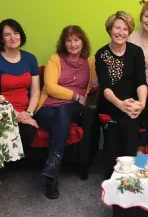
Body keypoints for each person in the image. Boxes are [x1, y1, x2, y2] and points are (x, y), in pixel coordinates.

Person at [34, 25, 98, 199]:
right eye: (68, 40)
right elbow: (50, 87)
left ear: (83, 42)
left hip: (75, 109)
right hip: (47, 107)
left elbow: (99, 81)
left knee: (63, 110)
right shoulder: (55, 59)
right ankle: (52, 173)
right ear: (63, 43)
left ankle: (52, 167)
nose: (73, 44)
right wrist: (76, 95)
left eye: (76, 39)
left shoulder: (90, 62)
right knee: (61, 114)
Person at [95, 11, 147, 179]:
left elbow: (141, 82)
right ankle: (122, 174)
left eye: (125, 29)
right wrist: (121, 104)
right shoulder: (101, 54)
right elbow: (105, 87)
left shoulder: (136, 52)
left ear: (129, 31)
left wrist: (142, 104)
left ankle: (134, 171)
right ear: (110, 29)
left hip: (134, 102)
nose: (120, 32)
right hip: (112, 102)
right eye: (117, 28)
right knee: (127, 125)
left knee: (136, 120)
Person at [0, 19, 40, 166]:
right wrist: (16, 115)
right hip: (2, 110)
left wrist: (29, 112)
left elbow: (35, 91)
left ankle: (12, 162)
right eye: (7, 35)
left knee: (29, 131)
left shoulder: (30, 58)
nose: (13, 38)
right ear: (1, 39)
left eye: (16, 33)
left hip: (27, 109)